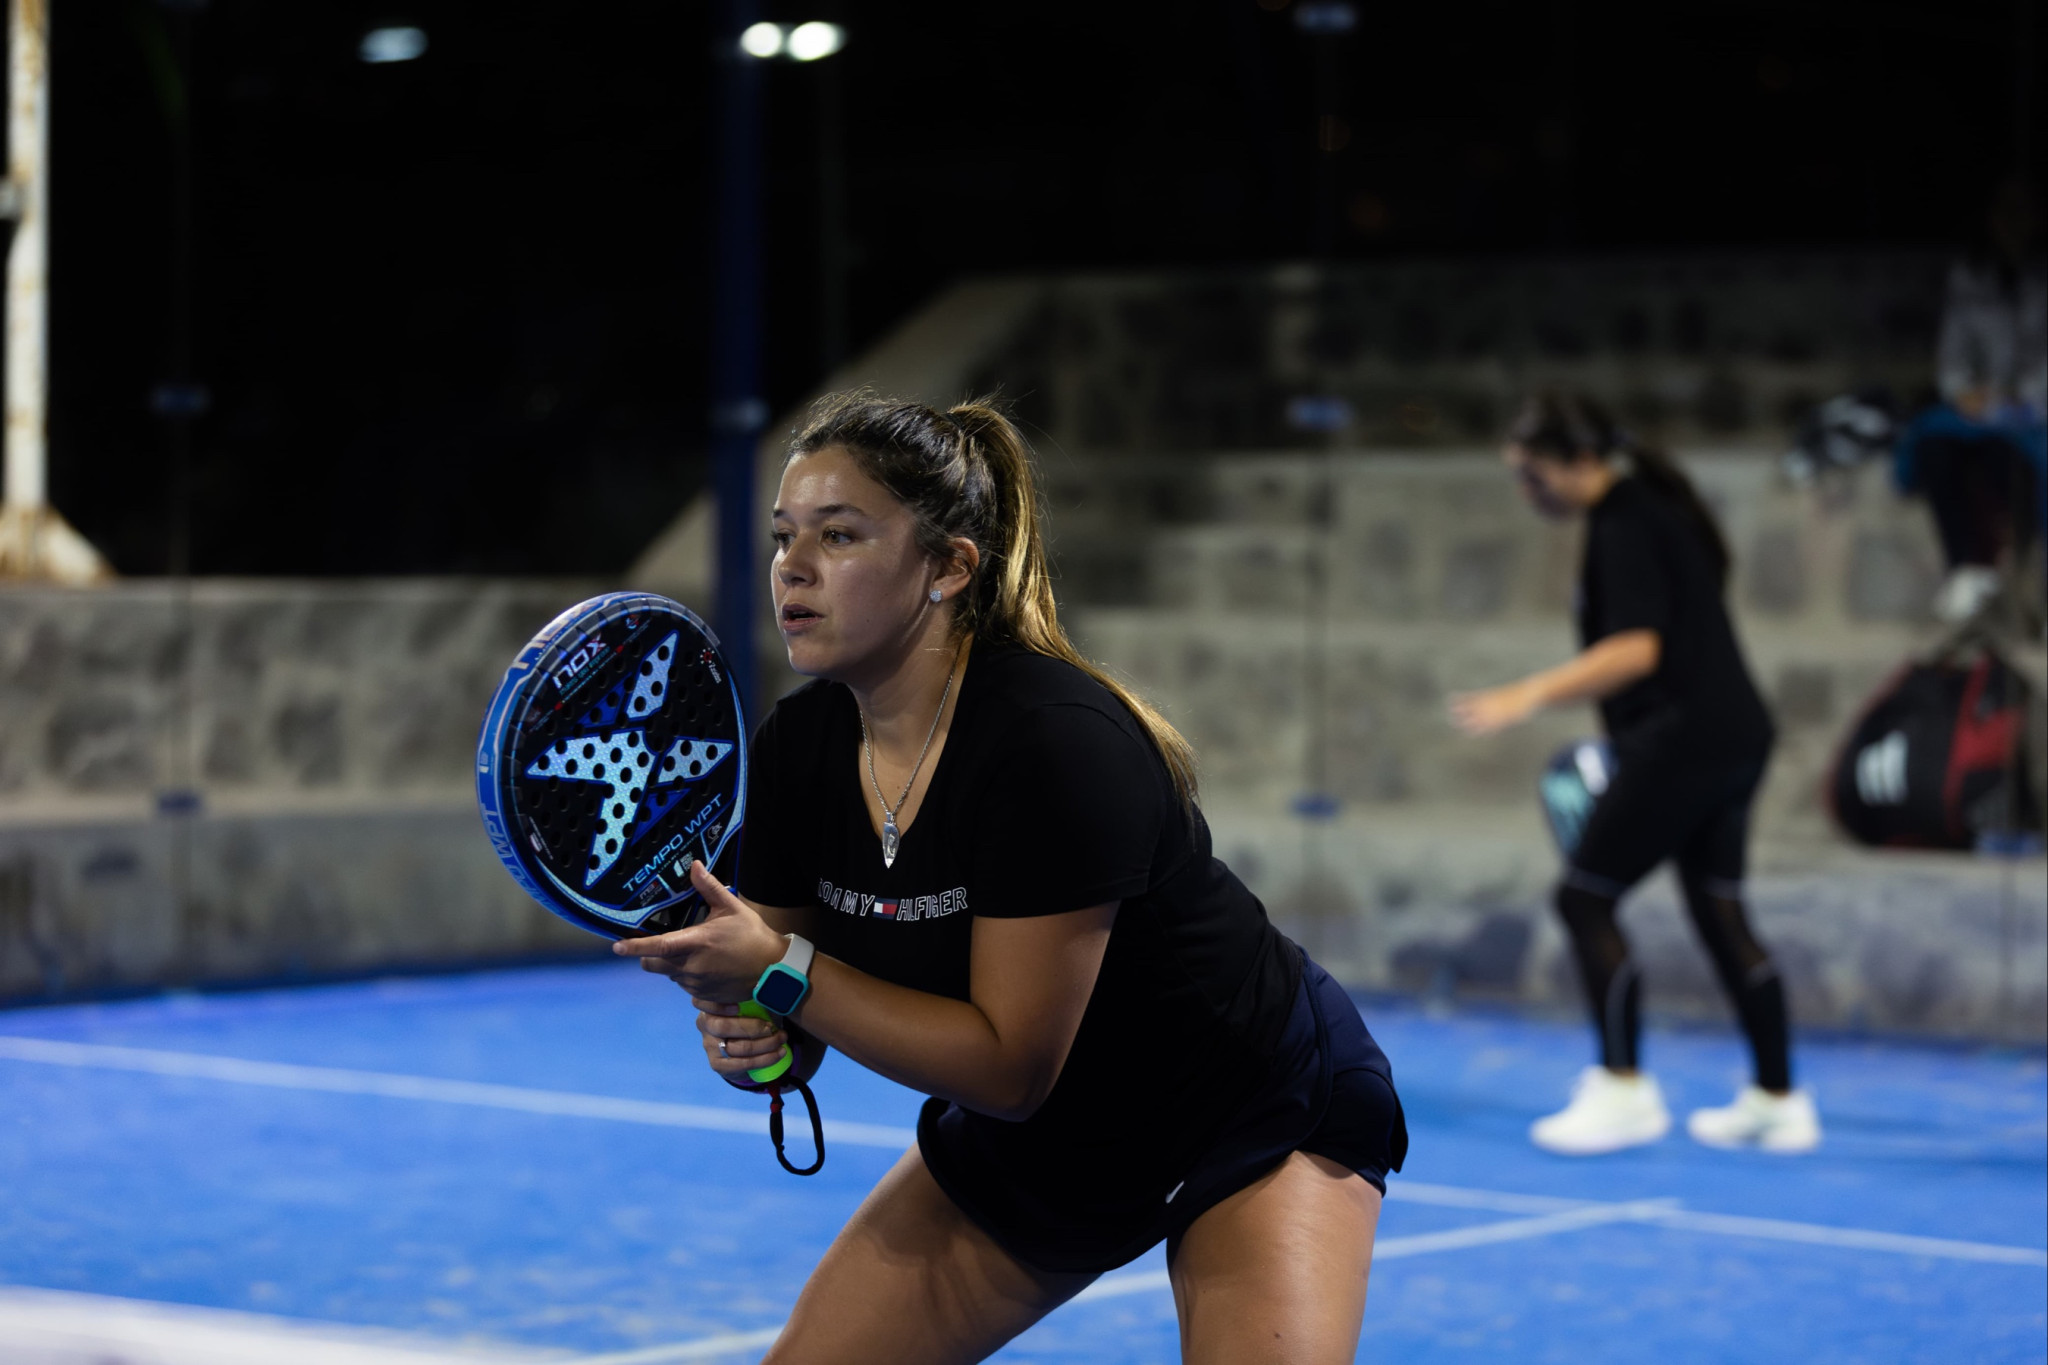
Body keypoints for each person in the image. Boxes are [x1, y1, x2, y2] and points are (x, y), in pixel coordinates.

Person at [616, 394, 1406, 1365]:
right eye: (784, 536)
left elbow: (1008, 1070)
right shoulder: (797, 749)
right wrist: (755, 1038)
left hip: (1244, 1110)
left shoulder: (1055, 745)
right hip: (1050, 1148)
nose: (794, 565)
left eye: (839, 535)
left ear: (948, 567)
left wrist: (778, 971)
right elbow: (791, 1018)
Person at [1448, 393, 1820, 1157]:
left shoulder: (1625, 522)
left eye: (1532, 474)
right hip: (1733, 733)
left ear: (1581, 461)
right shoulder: (1653, 509)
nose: (1526, 491)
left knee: (1585, 898)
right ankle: (1779, 1100)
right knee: (1719, 909)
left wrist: (1524, 695)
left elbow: (1635, 650)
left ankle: (1623, 1090)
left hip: (1688, 738)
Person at [1895, 173, 2046, 624]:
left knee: (2011, 465)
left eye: (2023, 212)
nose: (2013, 223)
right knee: (1937, 448)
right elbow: (1953, 354)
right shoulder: (1972, 274)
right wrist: (1966, 392)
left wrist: (2023, 399)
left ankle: (2021, 574)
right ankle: (1965, 568)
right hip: (1986, 409)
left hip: (2035, 410)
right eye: (2005, 213)